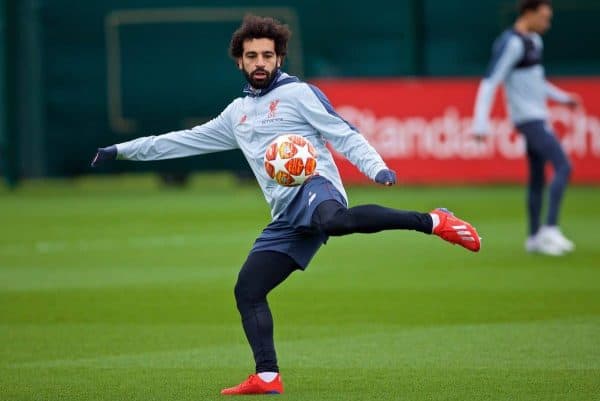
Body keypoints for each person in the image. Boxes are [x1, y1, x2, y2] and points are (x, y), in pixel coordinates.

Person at [92, 15, 481, 395]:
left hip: (317, 187)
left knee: (336, 222)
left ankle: (432, 221)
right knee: (248, 289)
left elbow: (344, 134)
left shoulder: (298, 94)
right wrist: (120, 151)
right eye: (251, 56)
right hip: (286, 216)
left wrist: (376, 168)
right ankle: (266, 376)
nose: (259, 62)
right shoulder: (237, 113)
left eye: (266, 55)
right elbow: (180, 141)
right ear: (239, 61)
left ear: (279, 58)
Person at [472, 0, 582, 256]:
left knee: (536, 177)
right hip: (528, 119)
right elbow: (490, 82)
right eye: (544, 17)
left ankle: (533, 237)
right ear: (528, 14)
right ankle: (550, 229)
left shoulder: (534, 41)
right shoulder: (511, 43)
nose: (547, 23)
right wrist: (480, 123)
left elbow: (537, 82)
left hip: (539, 116)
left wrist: (563, 98)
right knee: (564, 166)